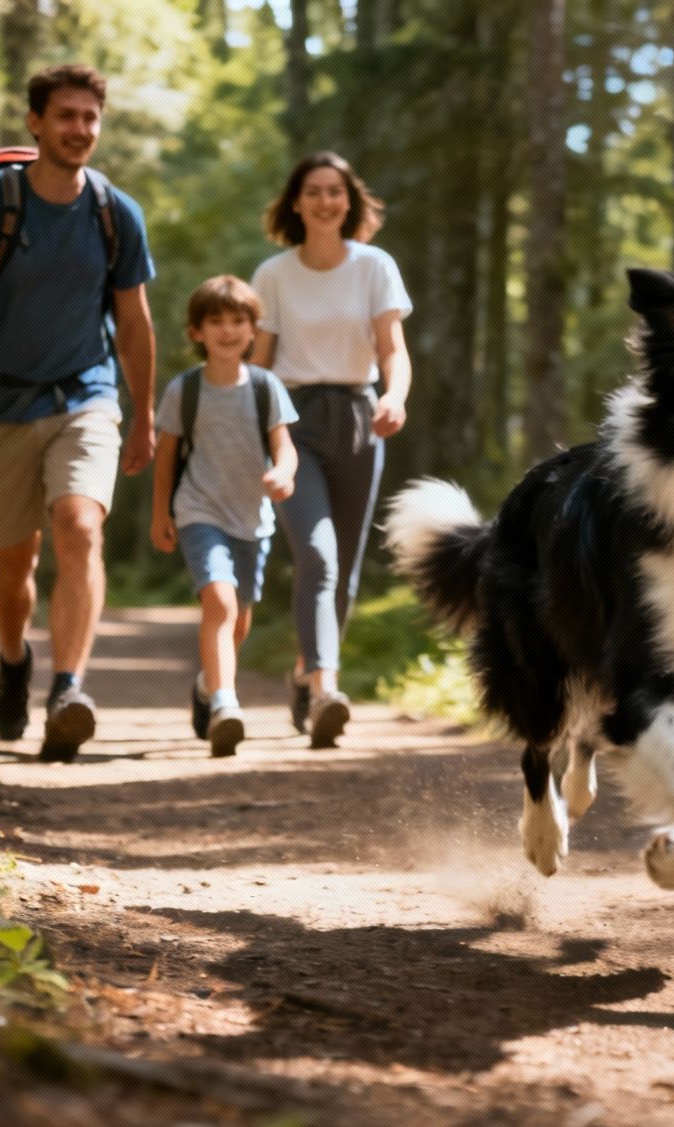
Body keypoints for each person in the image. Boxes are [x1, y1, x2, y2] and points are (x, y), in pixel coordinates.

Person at [0, 64, 156, 761]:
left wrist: (143, 414)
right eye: (65, 116)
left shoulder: (117, 213)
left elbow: (136, 325)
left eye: (89, 117)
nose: (79, 129)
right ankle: (13, 655)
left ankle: (68, 689)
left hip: (86, 394)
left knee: (79, 526)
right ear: (35, 122)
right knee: (11, 563)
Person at [250, 152, 412, 749]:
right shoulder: (273, 275)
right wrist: (244, 430)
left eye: (335, 192)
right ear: (296, 202)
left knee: (341, 571)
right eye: (313, 191)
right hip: (291, 423)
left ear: (350, 201)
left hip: (358, 418)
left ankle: (305, 670)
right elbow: (258, 365)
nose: (325, 201)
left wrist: (393, 395)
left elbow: (392, 348)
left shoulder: (375, 267)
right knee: (316, 557)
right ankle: (325, 689)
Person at [149, 277, 299, 757]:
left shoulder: (265, 387)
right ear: (196, 331)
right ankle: (225, 705)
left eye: (238, 321)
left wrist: (284, 474)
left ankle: (206, 683)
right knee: (220, 603)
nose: (228, 330)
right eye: (216, 321)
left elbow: (285, 448)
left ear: (254, 329)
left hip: (252, 519)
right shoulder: (183, 390)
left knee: (238, 623)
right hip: (199, 510)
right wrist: (161, 514)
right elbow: (167, 456)